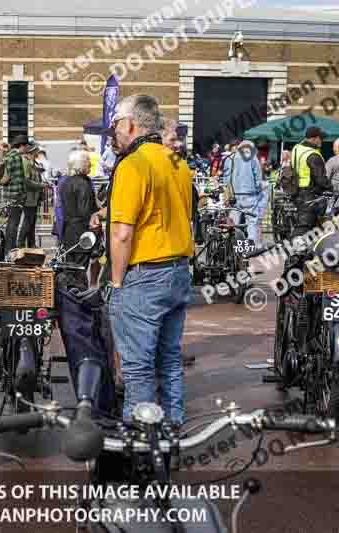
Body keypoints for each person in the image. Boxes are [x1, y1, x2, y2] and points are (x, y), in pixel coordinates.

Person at [106, 94, 194, 425]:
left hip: (144, 274)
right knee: (169, 358)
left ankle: (142, 438)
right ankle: (172, 425)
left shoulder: (133, 165)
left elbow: (122, 233)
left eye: (115, 124)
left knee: (138, 363)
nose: (113, 130)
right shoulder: (178, 164)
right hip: (178, 270)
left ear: (130, 124)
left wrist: (116, 281)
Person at [222, 140, 265, 246]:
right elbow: (258, 177)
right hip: (250, 194)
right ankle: (250, 245)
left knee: (234, 222)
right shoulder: (253, 158)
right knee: (251, 221)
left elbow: (226, 180)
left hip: (234, 196)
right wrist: (258, 189)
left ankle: (233, 245)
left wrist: (228, 194)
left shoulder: (230, 158)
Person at [289, 127, 331, 235]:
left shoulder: (296, 148)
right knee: (305, 225)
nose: (322, 141)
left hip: (295, 190)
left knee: (303, 222)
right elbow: (321, 179)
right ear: (315, 138)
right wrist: (332, 188)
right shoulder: (313, 154)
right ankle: (292, 247)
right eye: (320, 138)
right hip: (308, 193)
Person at [59, 150, 96, 267]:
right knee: (80, 270)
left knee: (70, 270)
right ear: (80, 164)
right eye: (87, 161)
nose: (90, 164)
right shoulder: (83, 183)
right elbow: (84, 211)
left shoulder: (65, 182)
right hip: (82, 232)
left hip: (68, 232)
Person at [0, 135, 29, 257]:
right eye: (27, 146)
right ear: (22, 146)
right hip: (14, 197)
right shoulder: (15, 157)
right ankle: (10, 252)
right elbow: (7, 177)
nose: (27, 148)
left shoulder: (10, 156)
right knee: (12, 226)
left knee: (11, 225)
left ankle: (9, 251)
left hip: (10, 196)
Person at [20, 141, 47, 248]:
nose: (38, 152)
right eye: (37, 150)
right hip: (28, 198)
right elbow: (27, 181)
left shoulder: (34, 163)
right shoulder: (26, 163)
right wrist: (41, 185)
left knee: (32, 223)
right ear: (32, 151)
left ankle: (31, 244)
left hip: (35, 198)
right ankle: (20, 243)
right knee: (27, 222)